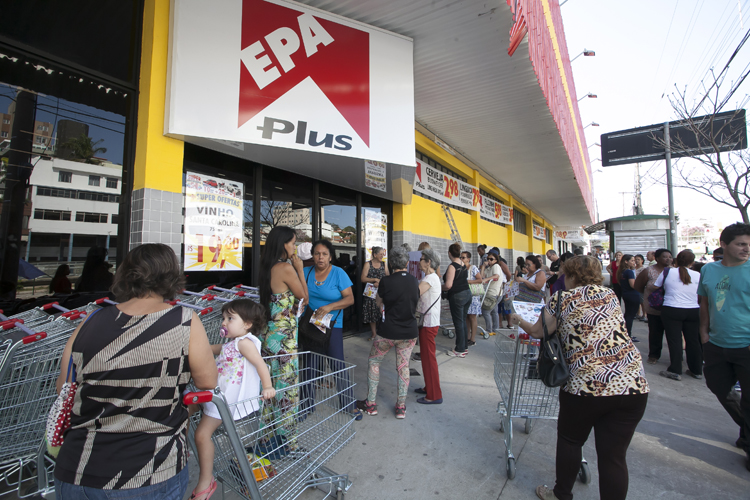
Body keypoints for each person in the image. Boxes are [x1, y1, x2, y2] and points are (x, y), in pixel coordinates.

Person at [53, 243, 218, 499]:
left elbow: (64, 386)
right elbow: (207, 381)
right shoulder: (183, 319)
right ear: (171, 276)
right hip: (149, 470)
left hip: (77, 469)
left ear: (125, 274)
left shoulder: (91, 320)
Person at [511, 256, 649, 500]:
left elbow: (537, 331)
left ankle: (561, 494)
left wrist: (517, 318)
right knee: (614, 457)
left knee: (570, 441)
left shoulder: (563, 298)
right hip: (632, 384)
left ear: (571, 275)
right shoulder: (610, 296)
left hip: (587, 386)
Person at [191, 300, 275, 500]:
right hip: (217, 394)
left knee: (202, 435)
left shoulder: (245, 343)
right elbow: (218, 348)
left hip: (225, 401)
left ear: (247, 324)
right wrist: (198, 348)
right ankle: (182, 445)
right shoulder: (233, 343)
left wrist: (268, 386)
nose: (224, 322)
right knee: (188, 407)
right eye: (223, 318)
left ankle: (205, 481)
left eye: (230, 318)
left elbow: (260, 365)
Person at [698, 223, 750, 469]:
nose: (746, 249)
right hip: (716, 344)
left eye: (749, 245)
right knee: (718, 387)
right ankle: (746, 427)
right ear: (724, 245)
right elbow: (705, 302)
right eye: (741, 244)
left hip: (747, 345)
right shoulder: (709, 270)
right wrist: (703, 332)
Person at [258, 226, 309, 447]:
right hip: (284, 341)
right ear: (283, 245)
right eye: (293, 243)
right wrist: (299, 269)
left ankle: (268, 436)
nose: (295, 248)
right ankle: (288, 441)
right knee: (287, 390)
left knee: (269, 390)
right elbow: (304, 297)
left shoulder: (266, 266)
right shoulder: (285, 268)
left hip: (269, 336)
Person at [303, 239, 362, 419]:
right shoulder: (305, 272)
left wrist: (330, 307)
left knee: (337, 364)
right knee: (309, 365)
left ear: (330, 256)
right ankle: (306, 405)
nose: (320, 257)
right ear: (312, 256)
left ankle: (348, 404)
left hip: (332, 325)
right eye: (317, 254)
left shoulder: (338, 273)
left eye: (324, 254)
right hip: (311, 325)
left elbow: (350, 299)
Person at [358, 247, 419, 419]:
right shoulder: (415, 281)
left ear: (391, 263)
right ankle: (401, 407)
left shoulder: (386, 281)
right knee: (403, 366)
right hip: (409, 332)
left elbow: (379, 303)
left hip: (388, 332)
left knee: (374, 362)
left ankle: (371, 404)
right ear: (407, 263)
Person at [655, 249, 702, 381]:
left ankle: (675, 370)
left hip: (672, 308)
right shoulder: (697, 275)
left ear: (676, 259)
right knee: (693, 341)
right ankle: (696, 370)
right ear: (692, 262)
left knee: (675, 340)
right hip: (693, 310)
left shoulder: (667, 272)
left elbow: (656, 286)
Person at [414, 248, 443, 404]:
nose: (419, 262)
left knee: (429, 358)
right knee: (426, 357)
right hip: (427, 322)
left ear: (429, 262)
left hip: (428, 323)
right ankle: (429, 387)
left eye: (422, 258)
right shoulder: (430, 277)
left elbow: (414, 294)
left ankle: (434, 395)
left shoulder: (430, 278)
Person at [634, 248, 673, 365]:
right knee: (655, 332)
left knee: (672, 334)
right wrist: (650, 296)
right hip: (654, 308)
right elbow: (638, 286)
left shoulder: (674, 271)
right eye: (665, 257)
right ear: (657, 259)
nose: (668, 259)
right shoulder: (649, 271)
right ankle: (654, 355)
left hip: (671, 307)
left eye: (670, 257)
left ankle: (675, 357)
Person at [443, 243, 471, 358]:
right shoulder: (463, 264)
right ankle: (464, 346)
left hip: (458, 296)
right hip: (467, 294)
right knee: (463, 321)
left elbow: (448, 285)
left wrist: (439, 287)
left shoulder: (452, 266)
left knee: (458, 322)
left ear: (449, 253)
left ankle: (459, 349)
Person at [361, 246, 389, 340]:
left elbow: (388, 277)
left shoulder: (384, 264)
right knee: (371, 312)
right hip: (371, 293)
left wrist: (381, 283)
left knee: (381, 311)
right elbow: (363, 278)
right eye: (380, 254)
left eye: (383, 254)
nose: (382, 256)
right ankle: (374, 333)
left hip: (381, 292)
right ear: (374, 254)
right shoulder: (368, 264)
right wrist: (374, 280)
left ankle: (382, 331)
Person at [617, 254, 641, 343]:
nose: (634, 262)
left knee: (628, 315)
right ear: (626, 262)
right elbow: (633, 285)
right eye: (632, 261)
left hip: (626, 294)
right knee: (630, 316)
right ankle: (628, 335)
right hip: (633, 295)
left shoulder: (622, 272)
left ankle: (626, 333)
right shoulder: (629, 272)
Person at [479, 251, 503, 334]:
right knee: (494, 311)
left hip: (494, 293)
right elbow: (482, 276)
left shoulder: (496, 266)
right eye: (487, 259)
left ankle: (489, 330)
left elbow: (496, 276)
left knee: (486, 311)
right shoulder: (489, 268)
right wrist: (483, 267)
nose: (489, 260)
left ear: (496, 260)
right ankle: (495, 329)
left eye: (491, 259)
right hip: (491, 292)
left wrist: (487, 279)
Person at [462, 251, 483, 346]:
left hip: (473, 296)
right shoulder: (461, 268)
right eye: (461, 257)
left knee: (472, 317)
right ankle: (467, 337)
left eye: (463, 257)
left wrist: (468, 281)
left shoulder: (473, 268)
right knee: (466, 316)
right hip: (465, 294)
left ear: (468, 259)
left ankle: (473, 338)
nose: (462, 259)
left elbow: (480, 279)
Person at [633, 254, 647, 321]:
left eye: (638, 259)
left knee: (642, 301)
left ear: (642, 261)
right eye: (635, 259)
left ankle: (644, 314)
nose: (637, 261)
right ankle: (638, 314)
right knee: (636, 301)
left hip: (641, 286)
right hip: (634, 286)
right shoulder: (633, 268)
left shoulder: (643, 269)